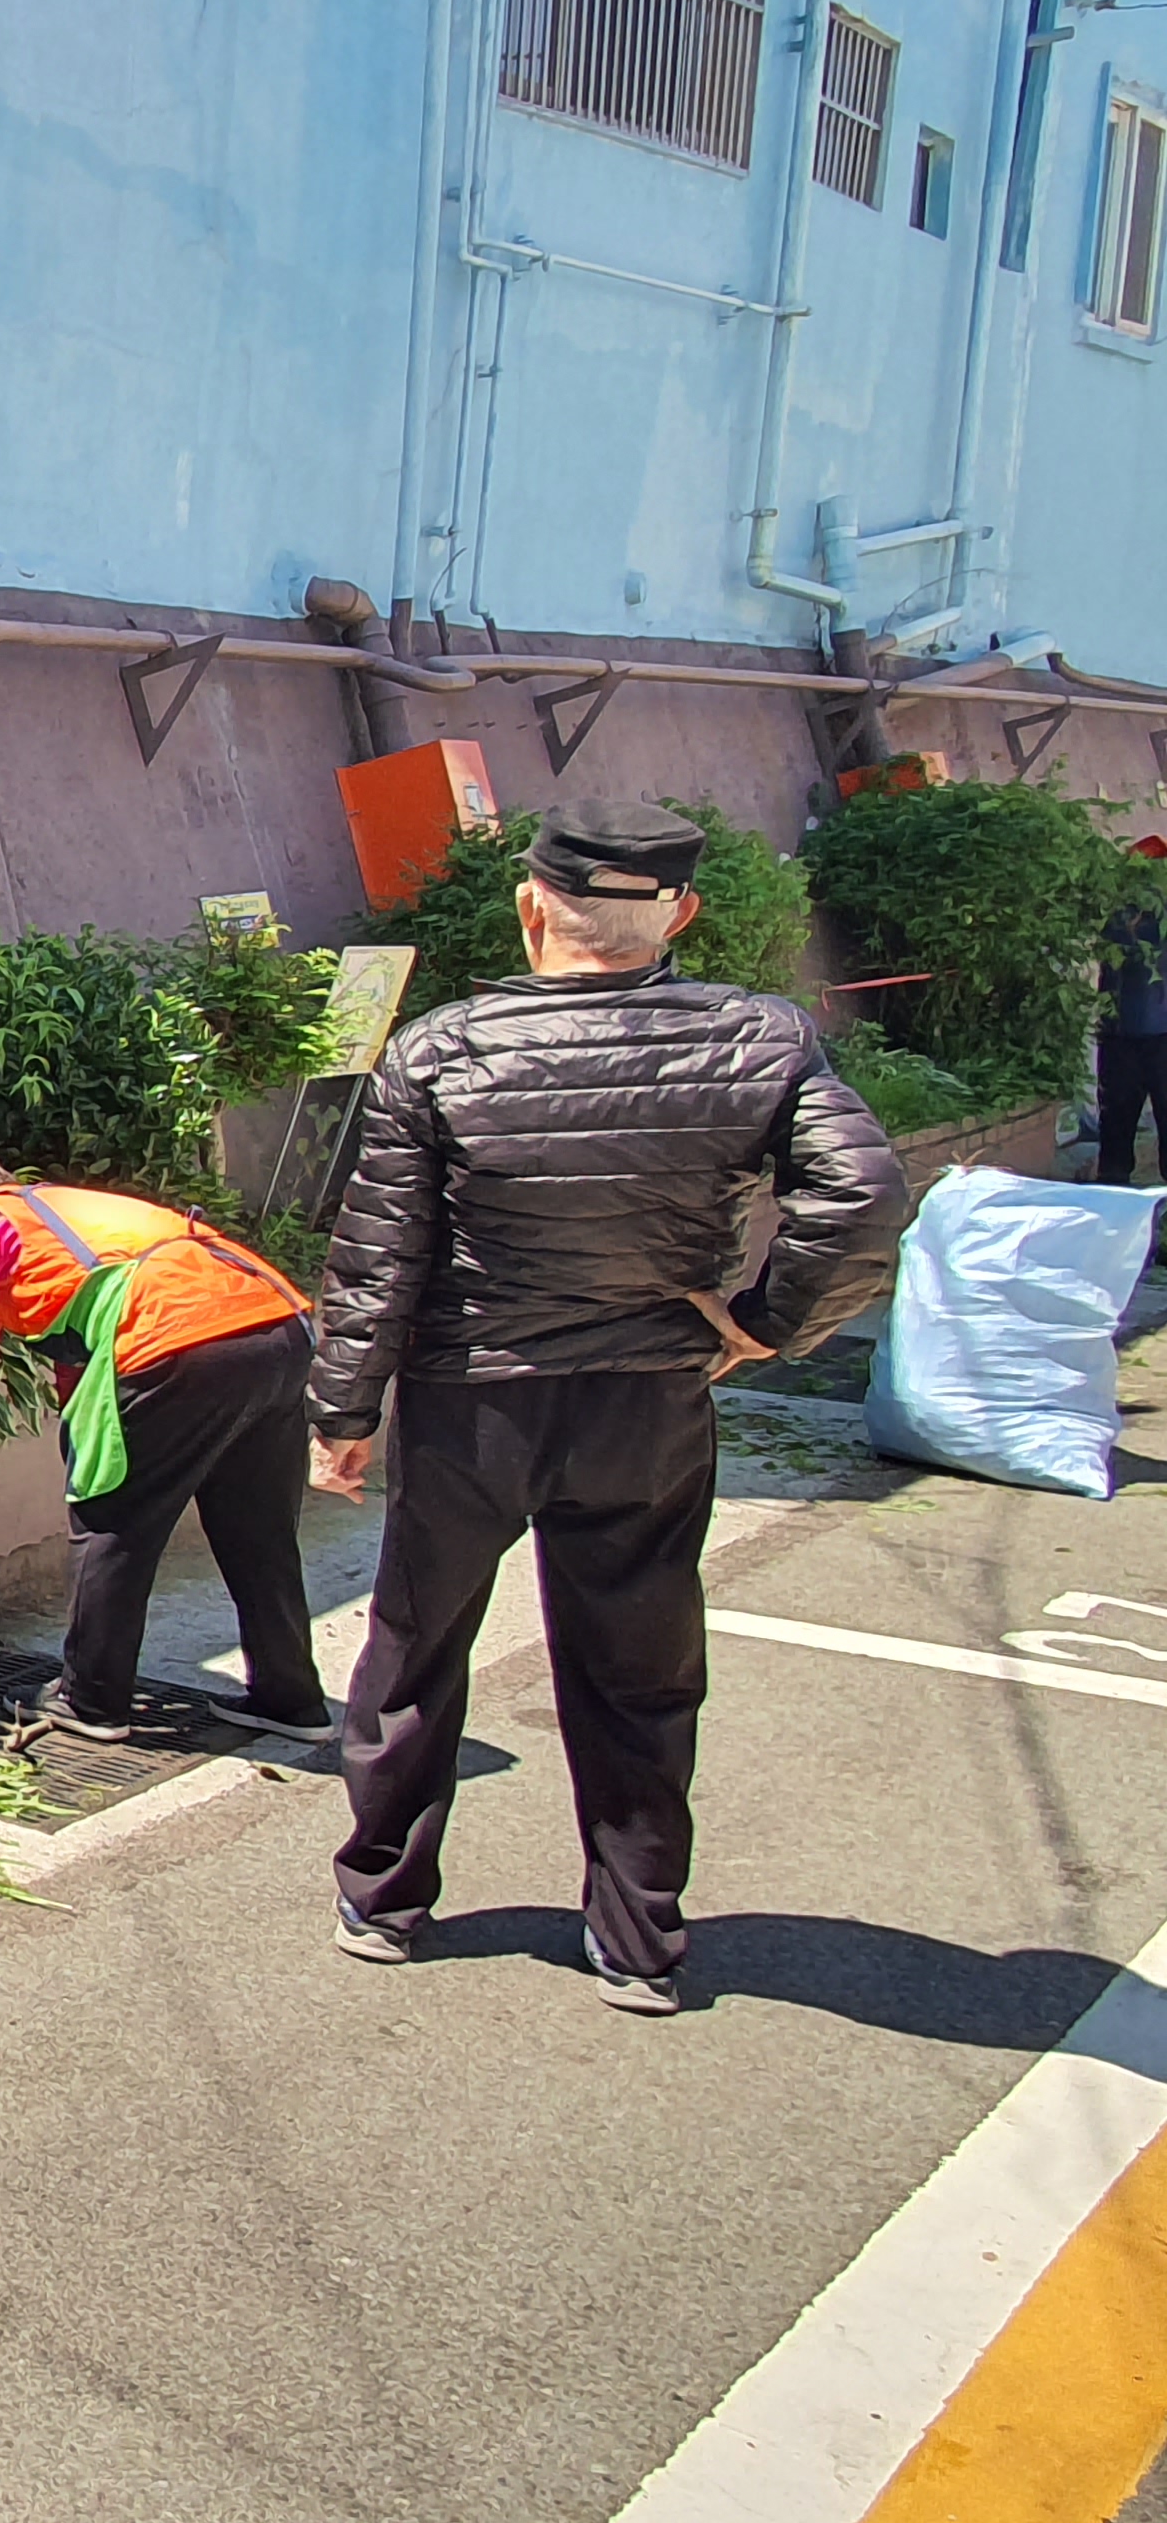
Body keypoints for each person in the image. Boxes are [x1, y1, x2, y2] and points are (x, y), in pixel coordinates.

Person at [305, 799, 906, 2015]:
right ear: (681, 913)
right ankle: (638, 1939)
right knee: (639, 1666)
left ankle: (385, 1898)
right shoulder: (758, 1038)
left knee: (416, 1649)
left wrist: (344, 1411)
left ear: (531, 907)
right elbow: (863, 1196)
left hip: (475, 1402)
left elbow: (379, 1253)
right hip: (649, 1401)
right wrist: (766, 1321)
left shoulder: (442, 1048)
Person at [0, 1140, 327, 1746]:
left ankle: (91, 1700)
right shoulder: (59, 1210)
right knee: (257, 1530)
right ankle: (291, 1699)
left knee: (112, 1524)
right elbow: (83, 1319)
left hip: (178, 1342)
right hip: (278, 1330)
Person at [1094, 842, 1167, 1184]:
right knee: (1116, 1126)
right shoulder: (1117, 914)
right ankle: (1113, 1190)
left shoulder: (1119, 914)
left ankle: (1114, 1189)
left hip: (1137, 1035)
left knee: (1117, 1125)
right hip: (1122, 1034)